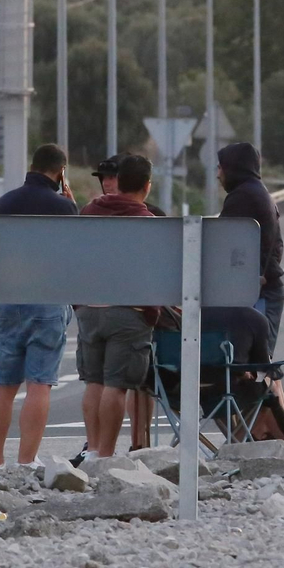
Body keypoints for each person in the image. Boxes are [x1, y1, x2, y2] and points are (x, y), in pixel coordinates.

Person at [0, 143, 77, 472]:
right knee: (39, 383)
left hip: (9, 297)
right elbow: (74, 256)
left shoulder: (4, 203)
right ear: (60, 172)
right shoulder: (62, 208)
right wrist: (72, 204)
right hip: (48, 299)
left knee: (4, 386)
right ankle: (26, 460)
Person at [76, 155, 164, 458]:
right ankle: (106, 456)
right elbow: (156, 273)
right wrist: (152, 310)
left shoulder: (89, 212)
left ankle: (92, 448)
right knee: (115, 385)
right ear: (146, 186)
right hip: (128, 312)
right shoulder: (146, 221)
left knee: (93, 382)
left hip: (89, 309)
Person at [217, 142, 284, 350]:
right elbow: (278, 246)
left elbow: (220, 244)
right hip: (264, 291)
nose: (218, 174)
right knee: (262, 365)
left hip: (257, 295)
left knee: (254, 367)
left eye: (221, 167)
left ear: (234, 167)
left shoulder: (242, 198)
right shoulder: (260, 193)